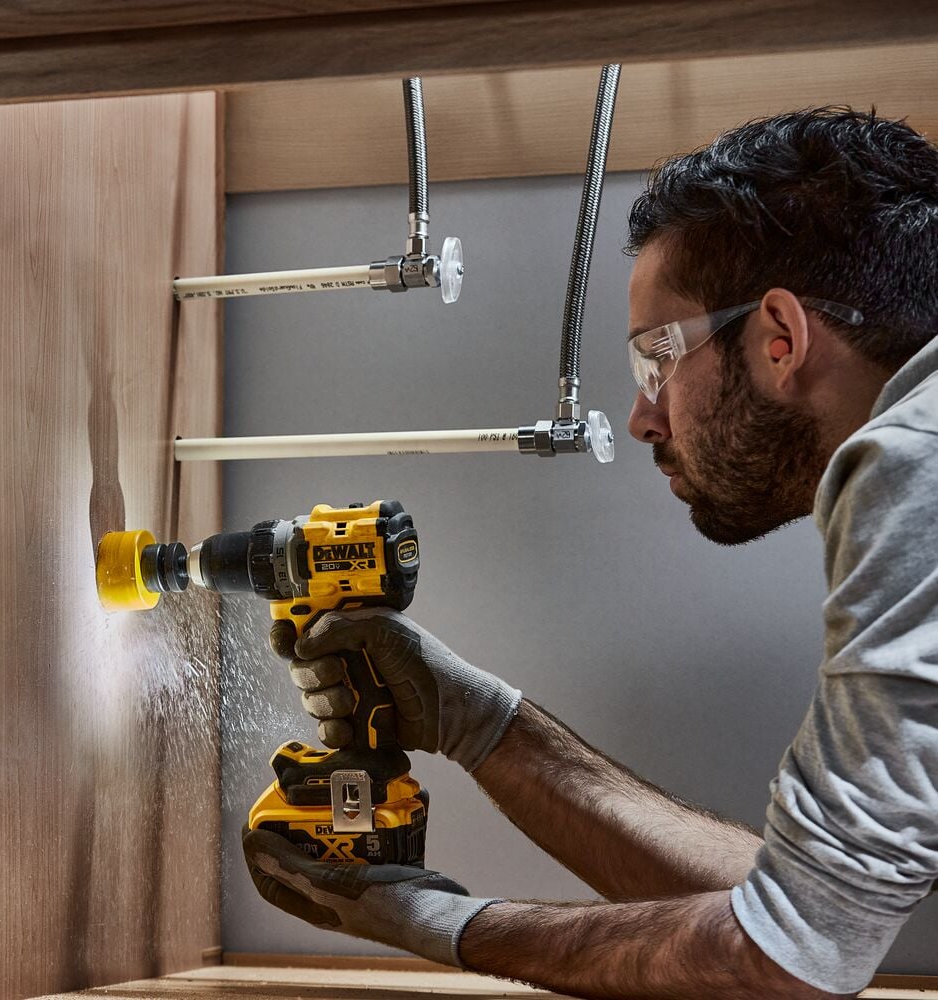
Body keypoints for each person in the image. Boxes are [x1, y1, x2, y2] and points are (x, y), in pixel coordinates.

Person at [242, 107, 938, 999]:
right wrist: (478, 722)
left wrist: (422, 918)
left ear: (780, 338)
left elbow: (785, 959)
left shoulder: (912, 464)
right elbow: (806, 906)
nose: (643, 416)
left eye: (656, 360)